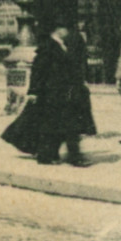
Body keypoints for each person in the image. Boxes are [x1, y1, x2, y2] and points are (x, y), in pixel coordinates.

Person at [26, 27, 96, 166]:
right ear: (57, 30)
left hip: (64, 92)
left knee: (65, 125)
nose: (67, 31)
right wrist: (33, 91)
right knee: (59, 126)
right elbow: (38, 70)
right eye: (64, 28)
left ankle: (62, 156)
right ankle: (63, 157)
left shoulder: (63, 45)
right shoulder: (47, 47)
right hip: (52, 93)